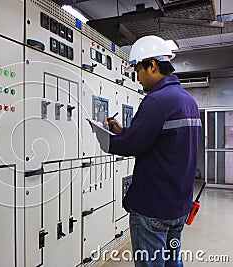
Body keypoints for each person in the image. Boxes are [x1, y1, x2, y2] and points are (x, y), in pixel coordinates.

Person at [94, 35, 202, 267]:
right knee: (172, 262)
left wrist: (106, 138)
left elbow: (133, 145)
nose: (138, 78)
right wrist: (125, 131)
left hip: (154, 207)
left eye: (138, 70)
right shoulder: (188, 101)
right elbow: (161, 142)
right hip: (179, 205)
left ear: (152, 65)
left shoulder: (157, 100)